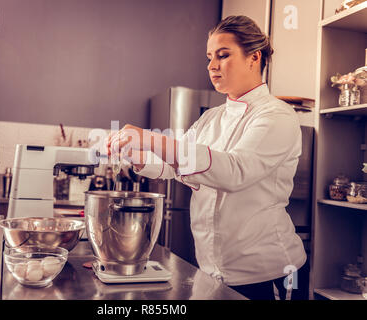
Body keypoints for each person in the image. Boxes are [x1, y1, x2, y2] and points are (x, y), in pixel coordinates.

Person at [106, 15, 307, 300]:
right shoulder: (211, 118)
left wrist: (149, 137)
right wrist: (138, 156)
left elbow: (234, 172)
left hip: (270, 272)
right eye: (209, 57)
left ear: (254, 57)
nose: (212, 66)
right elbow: (174, 166)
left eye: (223, 55)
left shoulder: (277, 116)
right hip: (212, 269)